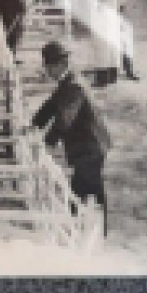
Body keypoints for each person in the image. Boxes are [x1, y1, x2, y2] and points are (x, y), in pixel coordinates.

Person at [30, 40, 112, 235]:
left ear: (60, 65)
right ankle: (89, 230)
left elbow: (64, 119)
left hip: (90, 145)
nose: (47, 72)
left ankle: (87, 233)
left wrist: (47, 142)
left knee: (84, 189)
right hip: (87, 145)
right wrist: (33, 124)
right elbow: (50, 106)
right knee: (87, 188)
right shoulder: (67, 82)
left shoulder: (74, 86)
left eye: (49, 67)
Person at [85, 0, 139, 84]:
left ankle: (102, 79)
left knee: (102, 45)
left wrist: (97, 5)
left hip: (103, 15)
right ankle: (113, 76)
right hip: (114, 13)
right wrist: (119, 2)